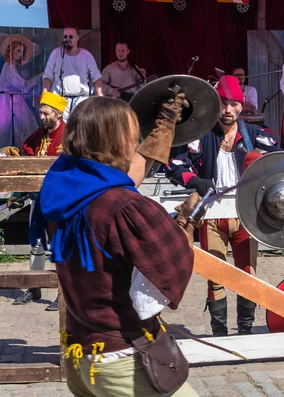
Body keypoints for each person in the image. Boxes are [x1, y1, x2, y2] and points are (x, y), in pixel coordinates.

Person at [30, 94, 201, 396]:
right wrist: (183, 228)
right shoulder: (121, 206)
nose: (134, 141)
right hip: (121, 359)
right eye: (130, 134)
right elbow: (166, 272)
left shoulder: (61, 187)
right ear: (114, 141)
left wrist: (164, 127)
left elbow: (119, 180)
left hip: (81, 355)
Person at [165, 75, 280, 337]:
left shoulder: (256, 136)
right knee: (215, 275)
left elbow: (280, 161)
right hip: (212, 217)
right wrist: (196, 180)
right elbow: (174, 166)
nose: (227, 110)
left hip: (246, 216)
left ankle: (245, 330)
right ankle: (219, 332)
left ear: (242, 106)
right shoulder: (202, 136)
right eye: (223, 103)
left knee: (247, 274)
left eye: (233, 104)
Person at [10, 91, 68, 310]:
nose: (42, 117)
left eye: (46, 113)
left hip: (61, 200)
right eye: (40, 113)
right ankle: (34, 287)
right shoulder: (37, 136)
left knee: (59, 243)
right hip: (38, 198)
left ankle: (63, 291)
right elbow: (26, 155)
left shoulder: (69, 134)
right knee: (36, 242)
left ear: (58, 113)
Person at [0, 34, 42, 147]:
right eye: (18, 51)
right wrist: (38, 78)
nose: (19, 54)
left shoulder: (11, 67)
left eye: (21, 52)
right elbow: (23, 86)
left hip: (14, 102)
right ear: (11, 49)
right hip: (9, 104)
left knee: (21, 129)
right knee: (18, 129)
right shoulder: (9, 67)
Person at [42, 27, 103, 122]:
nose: (67, 39)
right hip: (60, 100)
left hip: (80, 100)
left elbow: (96, 77)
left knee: (80, 129)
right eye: (65, 37)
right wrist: (45, 94)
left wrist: (100, 96)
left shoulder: (86, 55)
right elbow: (48, 76)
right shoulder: (56, 54)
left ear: (77, 38)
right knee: (60, 131)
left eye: (71, 37)